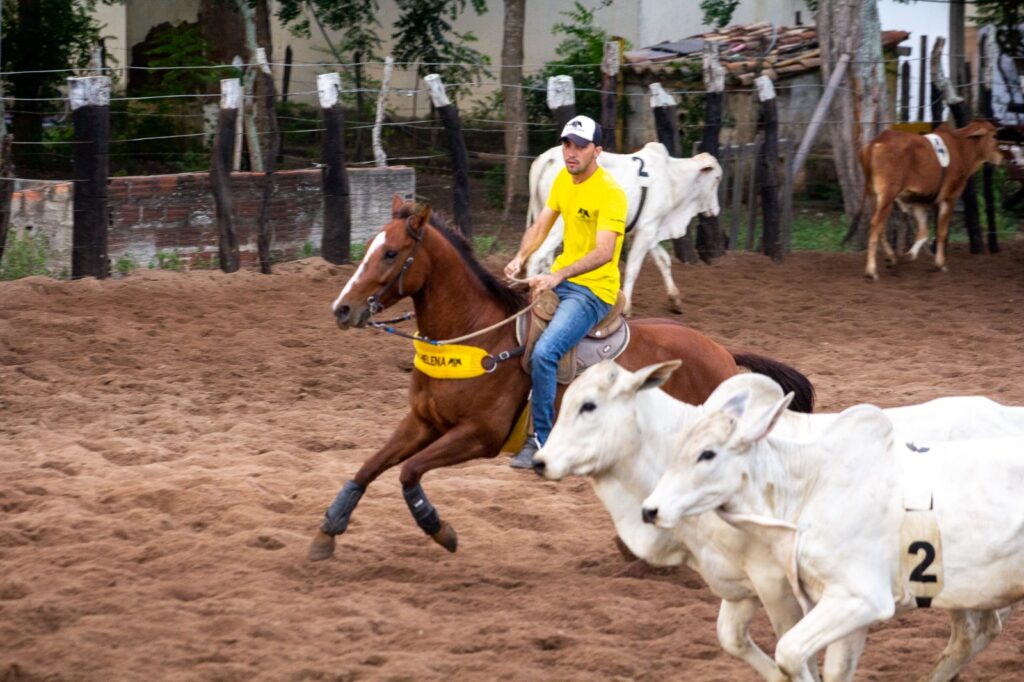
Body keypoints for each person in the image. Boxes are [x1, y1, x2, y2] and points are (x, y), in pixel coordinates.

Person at [504, 114, 627, 469]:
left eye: (580, 146)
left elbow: (605, 252)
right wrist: (521, 256)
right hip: (564, 279)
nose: (570, 152)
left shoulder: (611, 194)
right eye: (567, 144)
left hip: (592, 291)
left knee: (545, 353)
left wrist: (558, 276)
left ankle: (542, 440)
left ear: (597, 151)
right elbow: (541, 226)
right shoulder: (563, 179)